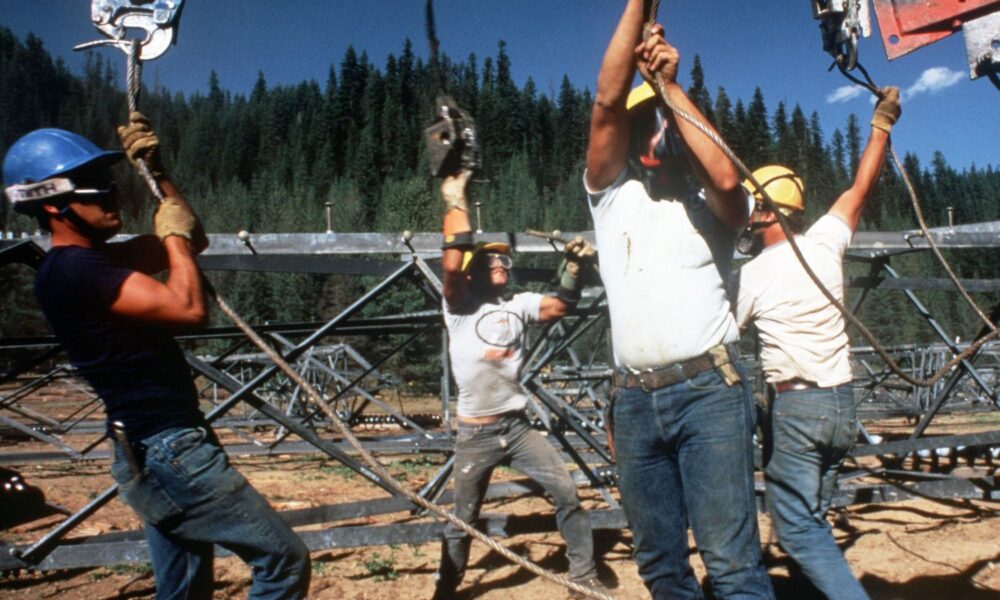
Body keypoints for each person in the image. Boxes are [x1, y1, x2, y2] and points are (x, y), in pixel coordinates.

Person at [2, 114, 311, 599]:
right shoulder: (74, 271)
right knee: (282, 561)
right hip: (169, 449)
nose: (112, 193)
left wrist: (157, 171)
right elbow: (188, 308)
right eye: (95, 186)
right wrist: (171, 237)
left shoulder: (93, 261)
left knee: (183, 588)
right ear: (54, 203)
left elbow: (193, 239)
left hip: (151, 447)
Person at [584, 2, 774, 598]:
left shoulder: (714, 207)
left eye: (666, 124)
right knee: (662, 568)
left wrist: (668, 86)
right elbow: (608, 101)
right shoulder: (611, 198)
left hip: (708, 393)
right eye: (648, 124)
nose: (655, 134)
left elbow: (725, 179)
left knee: (732, 565)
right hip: (634, 401)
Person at [734, 88, 901, 600]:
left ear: (764, 211)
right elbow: (861, 186)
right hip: (841, 407)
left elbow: (717, 332)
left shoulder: (753, 276)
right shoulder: (827, 240)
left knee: (797, 528)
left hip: (797, 409)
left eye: (750, 207)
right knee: (816, 518)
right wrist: (882, 125)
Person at [433, 169, 606, 599]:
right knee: (463, 517)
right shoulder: (458, 308)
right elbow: (452, 268)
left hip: (516, 426)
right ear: (475, 271)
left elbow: (560, 304)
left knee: (566, 492)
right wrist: (456, 200)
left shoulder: (520, 305)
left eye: (505, 261)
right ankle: (447, 587)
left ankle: (582, 579)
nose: (501, 265)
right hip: (475, 432)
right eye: (492, 261)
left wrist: (575, 265)